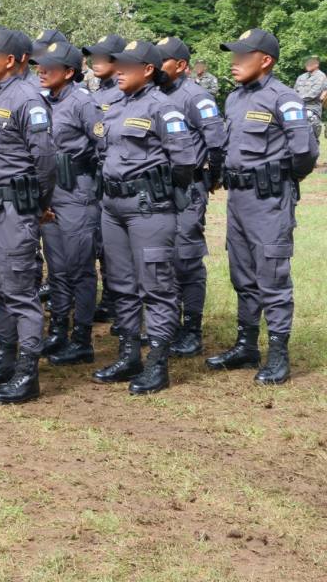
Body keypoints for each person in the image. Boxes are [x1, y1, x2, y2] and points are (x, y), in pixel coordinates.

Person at [209, 29, 318, 384]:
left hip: (269, 200)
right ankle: (246, 346)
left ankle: (278, 354)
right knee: (243, 274)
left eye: (243, 56)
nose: (234, 62)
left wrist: (279, 180)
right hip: (238, 200)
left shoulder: (283, 98)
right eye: (234, 55)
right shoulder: (234, 98)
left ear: (266, 60)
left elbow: (305, 152)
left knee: (272, 276)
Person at [92, 40, 198, 395]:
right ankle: (129, 355)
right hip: (113, 207)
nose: (118, 70)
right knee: (121, 284)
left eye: (126, 65)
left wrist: (159, 190)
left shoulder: (164, 108)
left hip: (147, 208)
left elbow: (184, 162)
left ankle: (157, 363)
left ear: (148, 70)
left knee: (156, 286)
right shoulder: (114, 107)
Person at [0, 27, 56, 404]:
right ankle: (4, 362)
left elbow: (45, 161)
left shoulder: (28, 99)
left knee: (20, 293)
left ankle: (27, 372)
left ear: (14, 60)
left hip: (13, 209)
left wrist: (37, 204)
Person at [32, 42, 102, 366]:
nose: (41, 71)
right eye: (40, 65)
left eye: (49, 67)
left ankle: (82, 339)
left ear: (70, 72)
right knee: (57, 267)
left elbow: (104, 143)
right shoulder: (41, 101)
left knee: (80, 269)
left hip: (77, 191)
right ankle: (58, 330)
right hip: (51, 192)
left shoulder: (83, 102)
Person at [156, 37, 227, 357]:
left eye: (162, 61)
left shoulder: (196, 96)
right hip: (157, 190)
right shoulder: (154, 93)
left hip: (188, 188)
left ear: (181, 65)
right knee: (162, 258)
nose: (155, 66)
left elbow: (216, 141)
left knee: (186, 259)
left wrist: (212, 177)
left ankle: (192, 330)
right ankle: (167, 325)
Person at [82, 34, 127, 327]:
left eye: (102, 57)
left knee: (115, 245)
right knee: (100, 240)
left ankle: (116, 298)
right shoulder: (93, 94)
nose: (95, 61)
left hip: (115, 176)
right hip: (94, 176)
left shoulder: (124, 93)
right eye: (93, 57)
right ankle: (110, 296)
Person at [293, 55, 326, 141]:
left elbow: (313, 94)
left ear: (316, 64)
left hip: (312, 109)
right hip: (298, 107)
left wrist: (296, 99)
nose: (308, 65)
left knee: (311, 137)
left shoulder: (321, 76)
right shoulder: (301, 77)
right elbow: (294, 91)